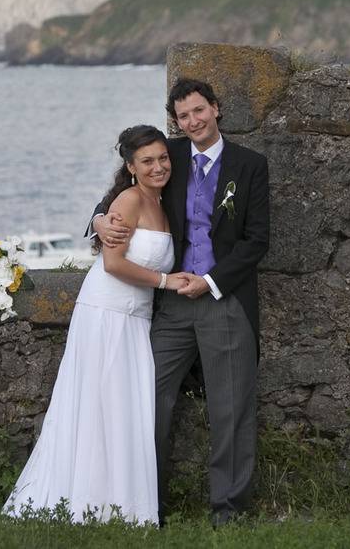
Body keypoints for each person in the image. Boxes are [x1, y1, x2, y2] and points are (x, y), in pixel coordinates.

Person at [89, 78, 270, 527]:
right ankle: (144, 503)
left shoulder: (250, 165)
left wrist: (210, 281)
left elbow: (256, 241)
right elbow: (119, 194)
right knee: (148, 398)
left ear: (216, 108)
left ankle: (228, 511)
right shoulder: (166, 158)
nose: (193, 121)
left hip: (224, 299)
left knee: (231, 407)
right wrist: (99, 218)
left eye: (199, 111)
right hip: (170, 306)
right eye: (183, 116)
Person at [3, 125, 192, 525]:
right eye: (147, 161)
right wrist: (166, 281)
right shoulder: (129, 199)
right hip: (106, 313)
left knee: (123, 411)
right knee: (96, 408)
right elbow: (113, 264)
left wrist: (99, 218)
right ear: (131, 167)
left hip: (135, 318)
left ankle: (118, 505)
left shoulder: (162, 200)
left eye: (162, 158)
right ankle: (81, 502)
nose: (158, 167)